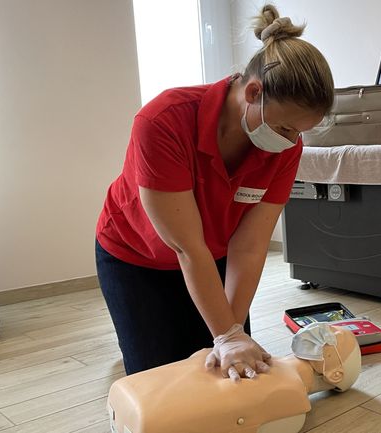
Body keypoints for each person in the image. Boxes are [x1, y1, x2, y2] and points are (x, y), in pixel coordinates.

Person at [94, 5, 334, 381]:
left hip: (217, 257)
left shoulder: (285, 148)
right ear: (253, 92)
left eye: (298, 134)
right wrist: (224, 333)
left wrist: (231, 336)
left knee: (229, 372)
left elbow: (251, 246)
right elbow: (186, 247)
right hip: (137, 257)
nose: (291, 143)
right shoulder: (163, 121)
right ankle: (134, 348)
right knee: (162, 380)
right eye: (286, 128)